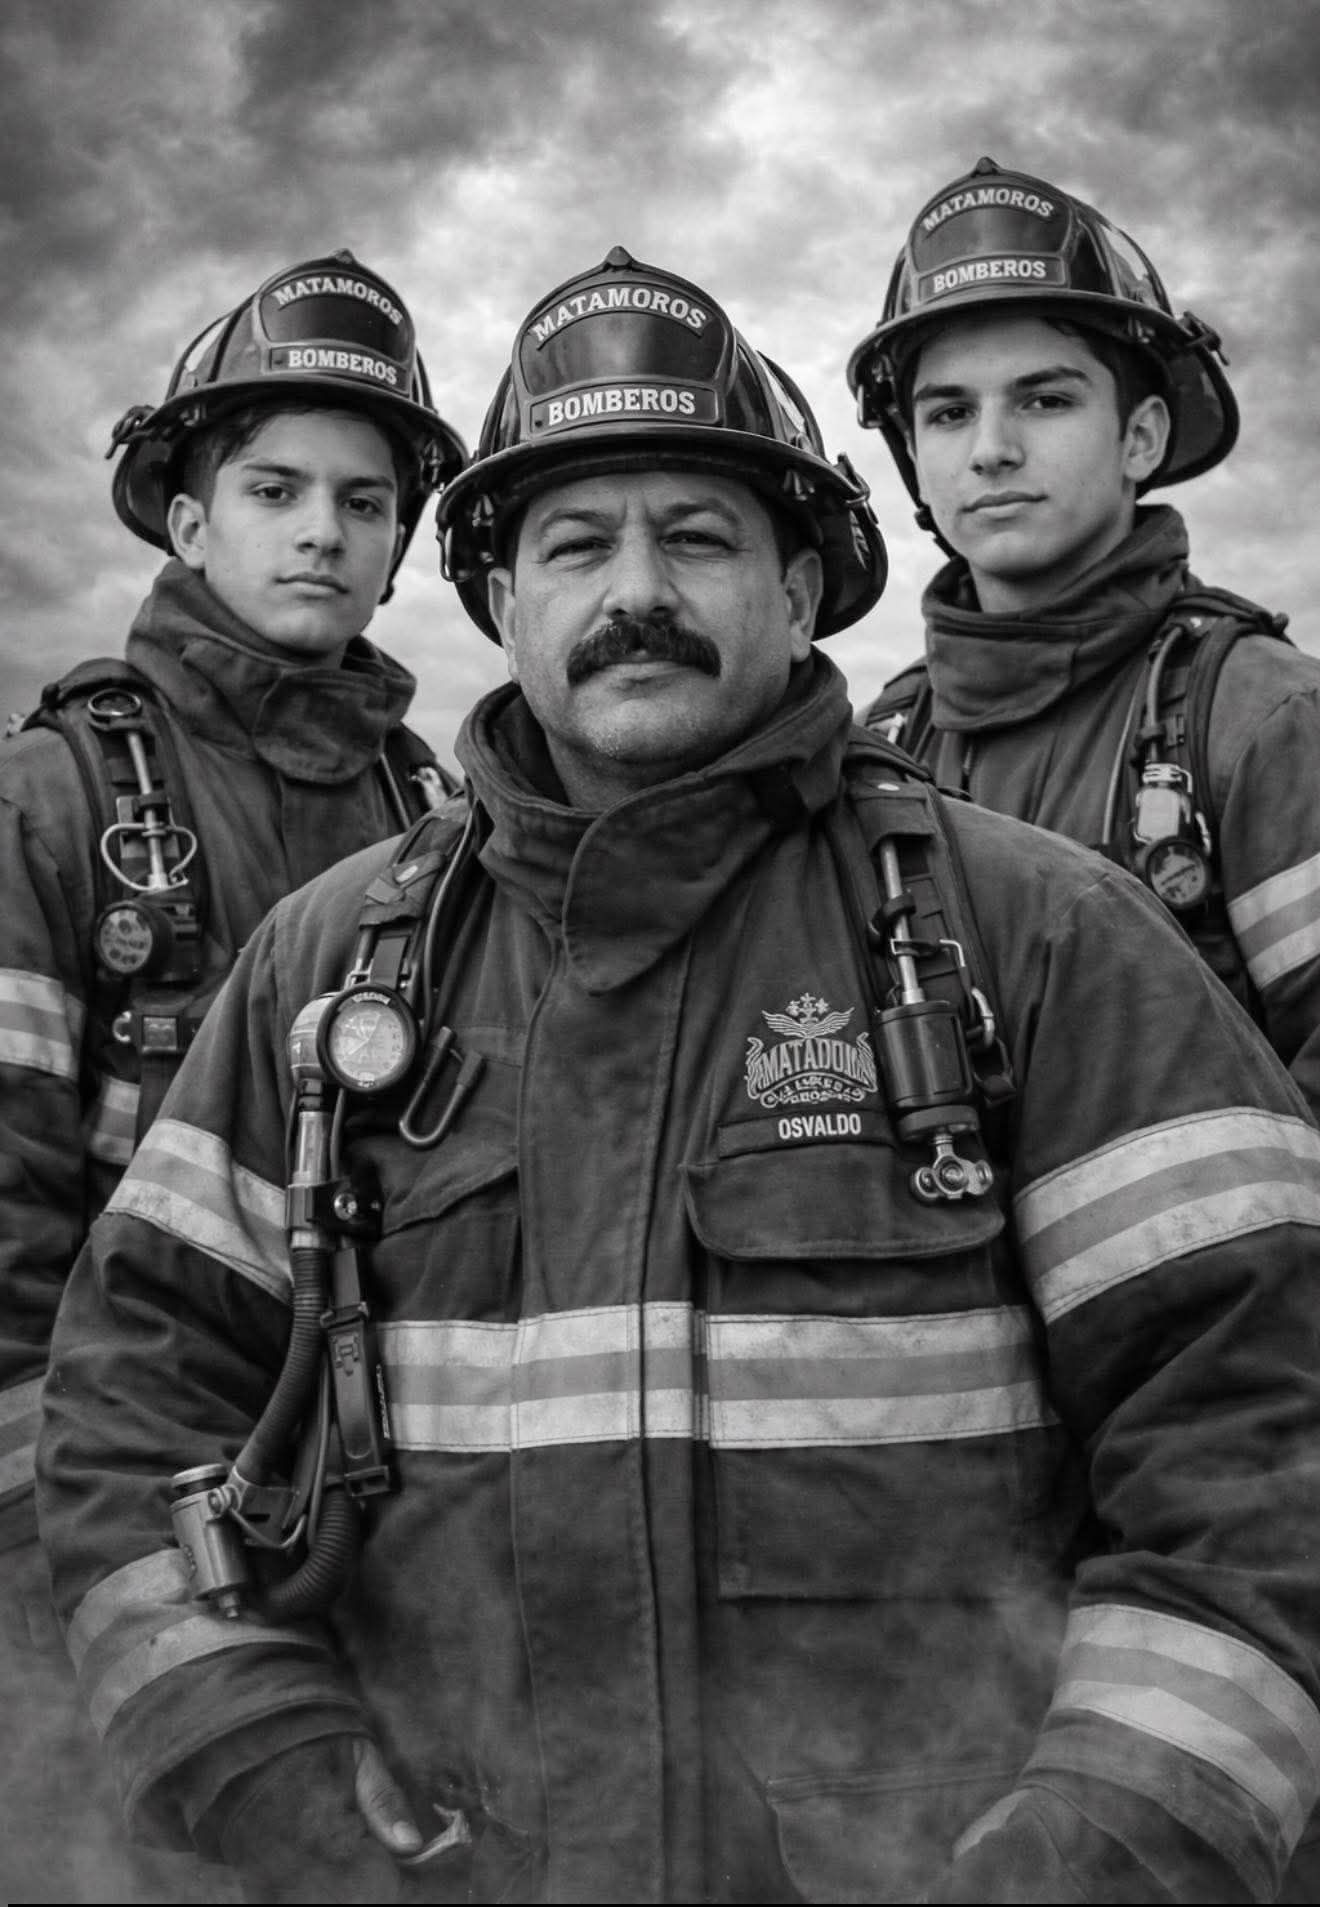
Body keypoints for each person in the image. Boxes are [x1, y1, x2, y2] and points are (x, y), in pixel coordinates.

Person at [36, 246, 1320, 1904]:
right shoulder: (325, 962)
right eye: (575, 543)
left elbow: (1260, 1434)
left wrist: (1096, 1850)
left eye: (700, 537)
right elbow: (138, 1398)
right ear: (500, 604)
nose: (634, 587)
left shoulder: (1044, 935)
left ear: (802, 590)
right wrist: (277, 1785)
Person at [2, 250, 465, 1903]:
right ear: (185, 519)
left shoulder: (439, 825)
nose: (322, 532)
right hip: (93, 1537)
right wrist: (68, 1574)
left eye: (363, 498)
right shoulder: (59, 803)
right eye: (273, 488)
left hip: (382, 1532)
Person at [847, 156, 1320, 1119]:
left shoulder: (1264, 718)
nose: (991, 448)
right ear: (914, 456)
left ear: (1140, 438)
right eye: (948, 412)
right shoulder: (881, 748)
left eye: (1045, 399)